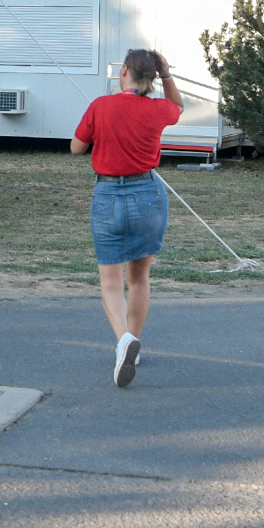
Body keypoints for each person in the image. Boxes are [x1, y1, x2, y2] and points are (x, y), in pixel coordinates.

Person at [71, 49, 184, 388]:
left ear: (124, 72)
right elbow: (178, 108)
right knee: (140, 277)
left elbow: (77, 147)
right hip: (147, 193)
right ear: (153, 75)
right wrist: (166, 75)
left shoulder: (101, 106)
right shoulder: (158, 108)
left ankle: (123, 340)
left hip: (108, 195)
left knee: (110, 281)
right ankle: (132, 344)